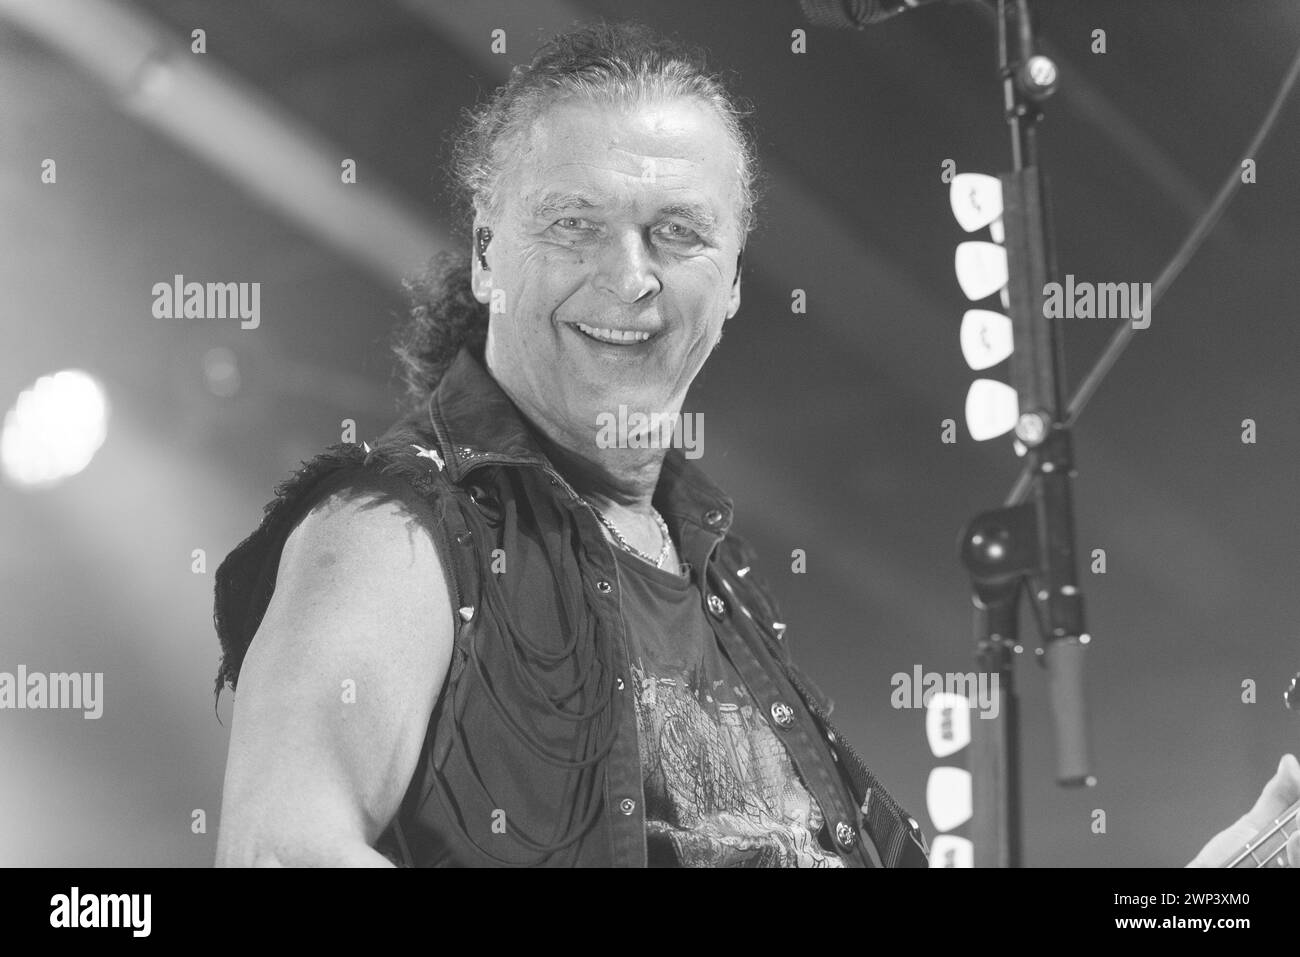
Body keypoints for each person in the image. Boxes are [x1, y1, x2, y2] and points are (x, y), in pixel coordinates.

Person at [211, 21, 1299, 868]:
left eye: (675, 234)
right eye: (573, 225)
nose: (629, 278)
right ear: (488, 256)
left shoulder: (708, 577)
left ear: (729, 285)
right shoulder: (394, 530)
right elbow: (277, 848)